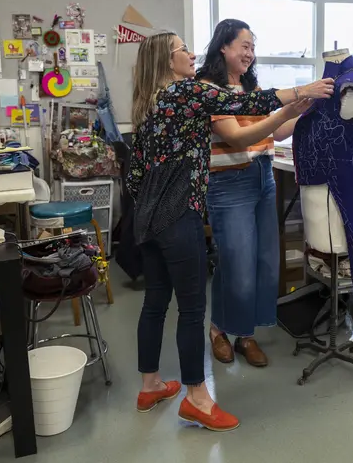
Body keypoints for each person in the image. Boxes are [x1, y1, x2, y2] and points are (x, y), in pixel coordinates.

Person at [127, 32, 332, 431]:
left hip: (148, 216)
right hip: (177, 214)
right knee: (191, 309)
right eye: (182, 49)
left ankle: (150, 385)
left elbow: (136, 173)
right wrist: (299, 91)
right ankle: (198, 400)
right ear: (168, 61)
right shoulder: (185, 93)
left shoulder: (147, 102)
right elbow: (243, 103)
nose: (190, 53)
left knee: (155, 303)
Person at [195, 19, 296, 367]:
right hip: (229, 183)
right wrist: (291, 104)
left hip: (263, 177)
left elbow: (278, 131)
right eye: (244, 45)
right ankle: (219, 330)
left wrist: (307, 110)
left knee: (263, 262)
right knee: (236, 264)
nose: (250, 53)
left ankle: (244, 333)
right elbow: (237, 137)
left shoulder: (251, 89)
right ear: (224, 46)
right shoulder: (210, 89)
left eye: (253, 47)